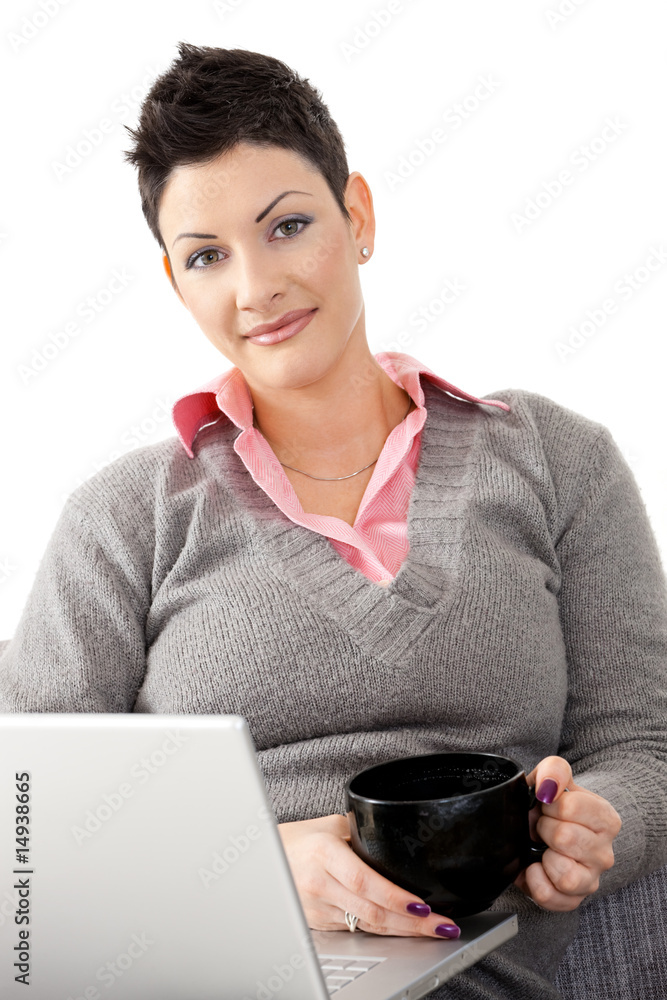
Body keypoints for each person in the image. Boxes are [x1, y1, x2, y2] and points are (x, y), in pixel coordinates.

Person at [1, 42, 665, 999]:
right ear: (176, 281)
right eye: (206, 256)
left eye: (287, 226)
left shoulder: (556, 461)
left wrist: (598, 826)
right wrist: (250, 863)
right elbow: (26, 816)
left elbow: (641, 745)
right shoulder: (126, 517)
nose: (254, 289)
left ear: (357, 216)